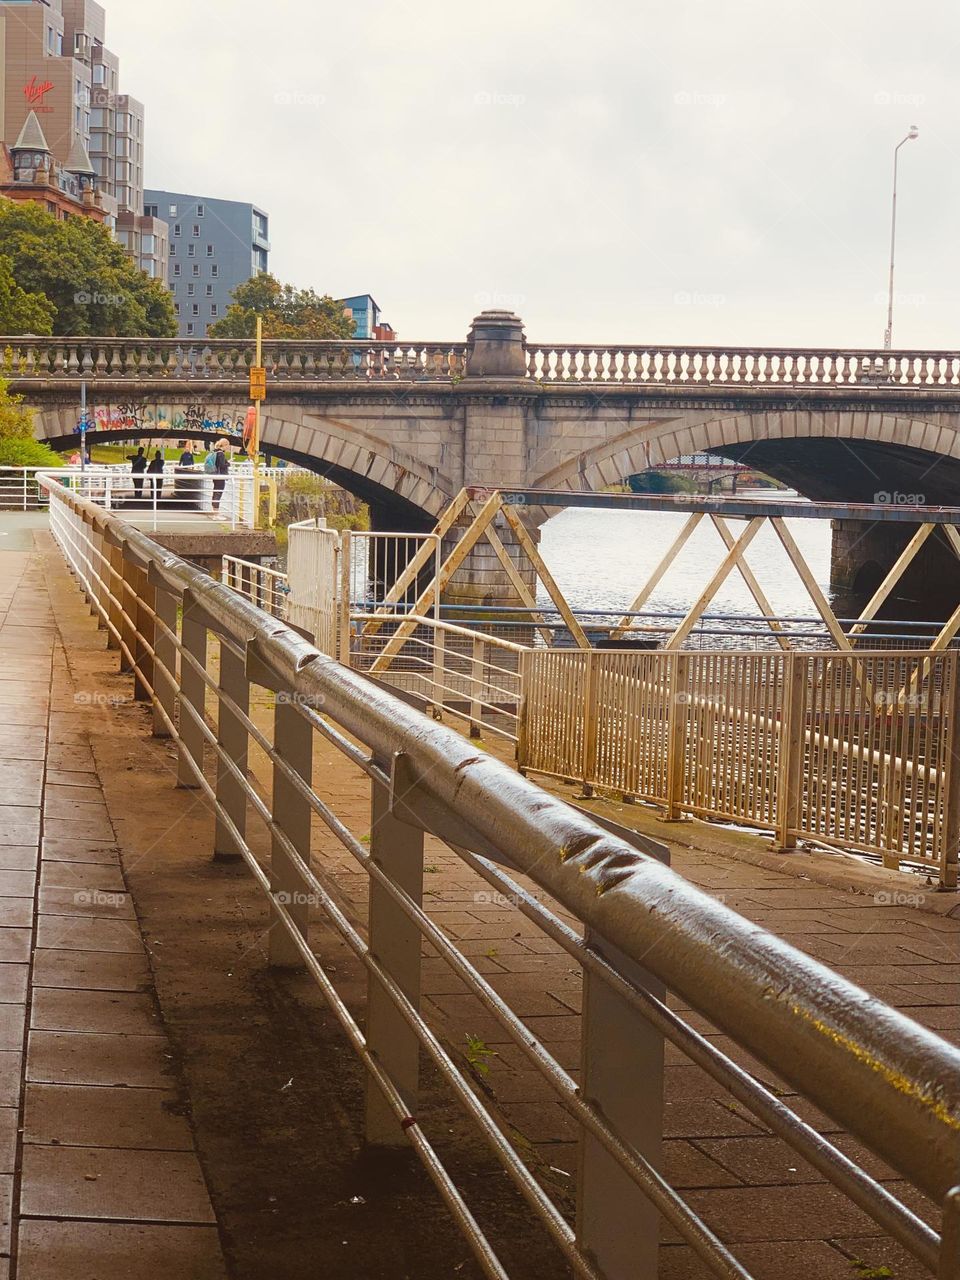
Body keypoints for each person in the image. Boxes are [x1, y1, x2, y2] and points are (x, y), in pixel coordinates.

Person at [212, 440, 230, 506]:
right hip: (220, 476)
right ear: (224, 445)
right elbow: (222, 465)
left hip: (215, 475)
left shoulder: (215, 452)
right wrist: (228, 464)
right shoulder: (221, 454)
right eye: (227, 446)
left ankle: (214, 510)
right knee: (218, 493)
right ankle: (216, 511)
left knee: (215, 492)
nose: (228, 447)